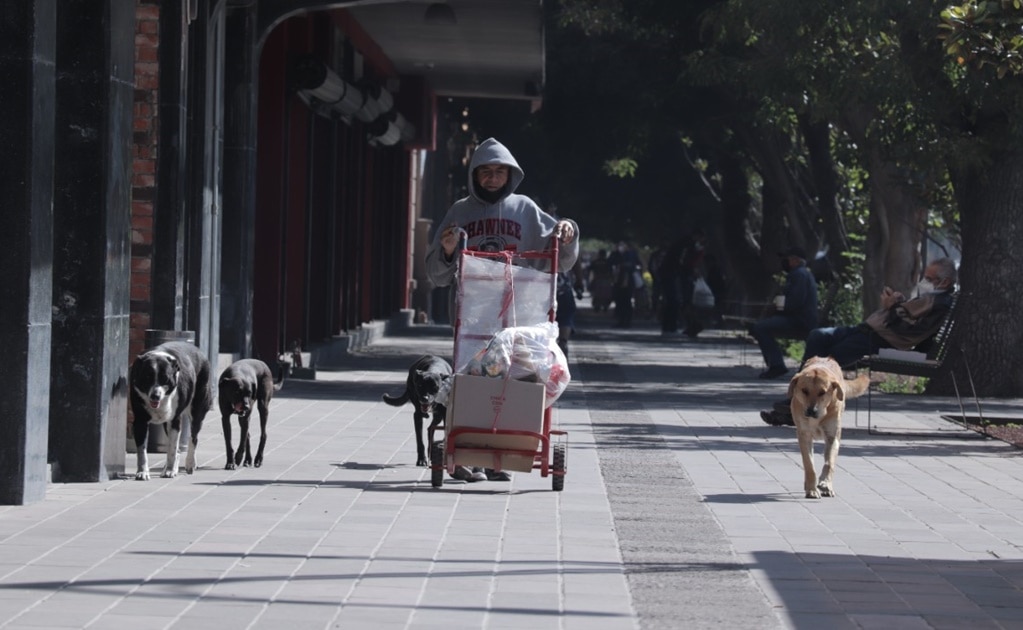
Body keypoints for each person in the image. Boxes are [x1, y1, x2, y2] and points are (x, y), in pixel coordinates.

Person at [425, 137, 580, 481]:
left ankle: (507, 453)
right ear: (474, 175)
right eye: (486, 172)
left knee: (516, 382)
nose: (493, 178)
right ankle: (472, 452)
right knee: (472, 381)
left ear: (510, 175)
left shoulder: (525, 209)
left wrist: (569, 231)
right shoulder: (459, 212)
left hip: (518, 317)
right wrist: (449, 251)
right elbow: (435, 273)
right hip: (473, 318)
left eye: (499, 172)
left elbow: (560, 248)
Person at [760, 257, 958, 426]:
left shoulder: (939, 303)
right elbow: (908, 315)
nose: (925, 281)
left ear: (945, 282)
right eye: (926, 277)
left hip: (879, 340)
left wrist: (893, 306)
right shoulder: (932, 297)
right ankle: (794, 403)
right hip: (865, 330)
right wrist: (897, 303)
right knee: (818, 336)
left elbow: (911, 329)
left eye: (930, 279)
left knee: (828, 360)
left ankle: (794, 406)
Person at [749, 246, 819, 379]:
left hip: (800, 320)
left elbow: (795, 302)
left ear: (795, 260)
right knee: (762, 326)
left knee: (760, 328)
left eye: (787, 259)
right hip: (800, 318)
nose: (784, 262)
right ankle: (775, 363)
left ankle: (776, 365)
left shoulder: (798, 274)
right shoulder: (801, 274)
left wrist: (778, 309)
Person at [608, 241, 641, 328]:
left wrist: (624, 266)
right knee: (619, 301)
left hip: (628, 281)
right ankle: (621, 320)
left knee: (626, 301)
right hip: (618, 280)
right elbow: (610, 262)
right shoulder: (616, 254)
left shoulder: (631, 254)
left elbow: (635, 265)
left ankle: (627, 321)